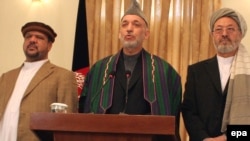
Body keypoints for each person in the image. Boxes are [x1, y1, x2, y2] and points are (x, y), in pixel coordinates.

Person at [78, 0, 182, 140]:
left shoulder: (165, 71)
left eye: (136, 24)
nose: (129, 28)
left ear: (146, 34)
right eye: (124, 24)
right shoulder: (99, 69)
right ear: (119, 33)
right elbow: (85, 109)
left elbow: (171, 118)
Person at [0, 21, 78, 141]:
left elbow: (67, 125)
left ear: (49, 46)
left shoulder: (63, 76)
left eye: (39, 37)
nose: (32, 40)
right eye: (28, 37)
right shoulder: (6, 77)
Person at [181, 8, 248, 141]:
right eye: (218, 29)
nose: (224, 34)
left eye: (230, 29)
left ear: (240, 34)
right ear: (212, 35)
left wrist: (226, 138)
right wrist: (204, 138)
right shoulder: (196, 71)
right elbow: (189, 111)